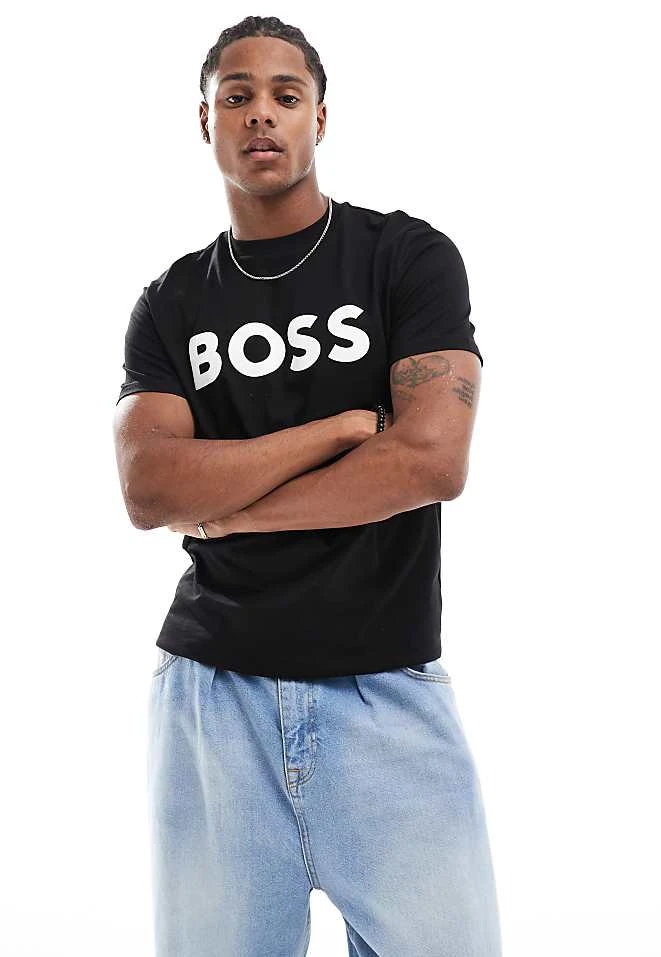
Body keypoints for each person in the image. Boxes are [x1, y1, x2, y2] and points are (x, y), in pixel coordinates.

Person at [113, 14, 502, 957]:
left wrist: (232, 512)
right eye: (236, 96)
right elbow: (148, 486)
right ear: (204, 120)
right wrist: (333, 432)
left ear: (319, 119)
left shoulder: (405, 258)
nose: (261, 114)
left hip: (385, 689)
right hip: (213, 699)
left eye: (286, 96)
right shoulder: (170, 303)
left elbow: (429, 461)